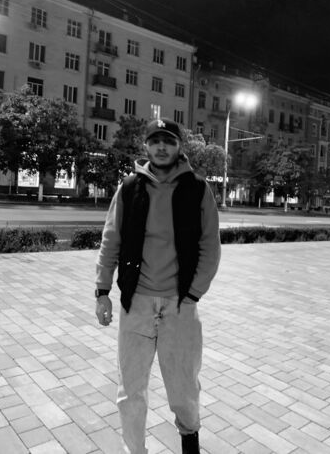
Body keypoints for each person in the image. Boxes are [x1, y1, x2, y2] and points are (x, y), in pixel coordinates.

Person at [95, 118, 221, 454]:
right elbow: (111, 240)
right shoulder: (129, 188)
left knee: (184, 387)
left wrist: (193, 294)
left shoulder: (197, 189)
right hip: (135, 304)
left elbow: (210, 245)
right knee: (130, 390)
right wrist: (102, 292)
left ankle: (189, 443)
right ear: (146, 146)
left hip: (180, 306)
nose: (161, 147)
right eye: (155, 141)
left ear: (180, 146)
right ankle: (135, 450)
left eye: (168, 141)